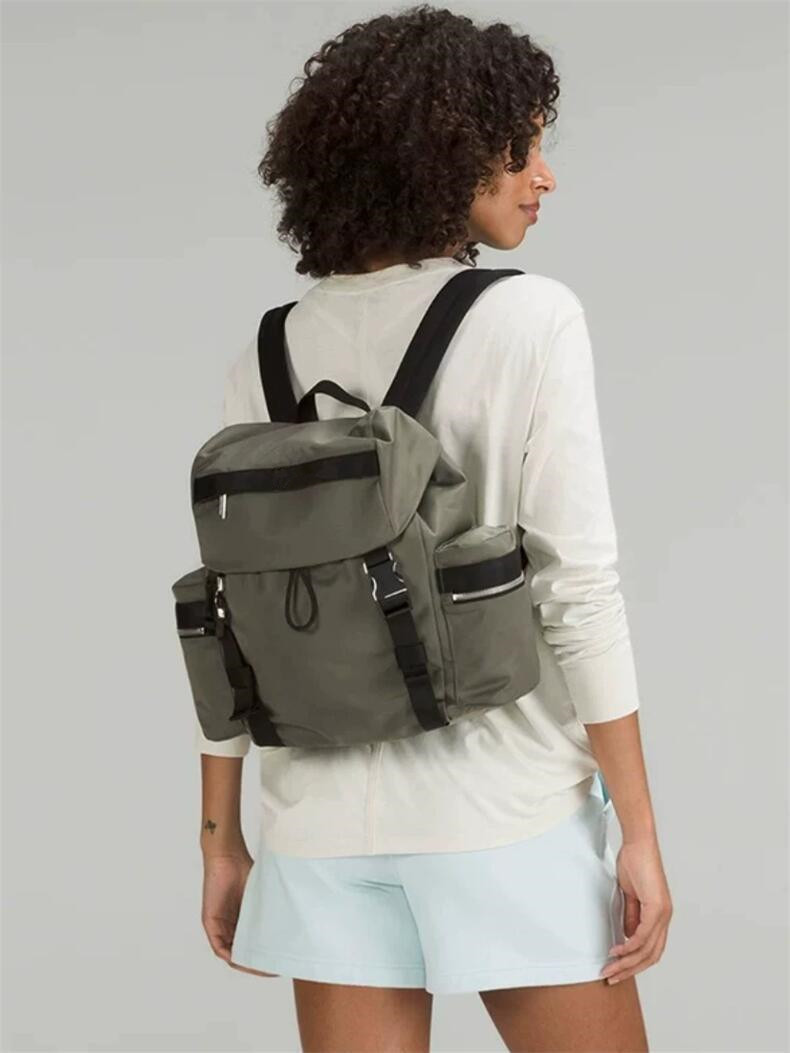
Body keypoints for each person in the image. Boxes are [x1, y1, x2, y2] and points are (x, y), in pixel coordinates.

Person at [194, 5, 672, 1051]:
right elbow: (578, 587)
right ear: (446, 153)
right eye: (520, 148)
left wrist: (221, 841)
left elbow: (227, 617)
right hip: (501, 811)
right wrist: (639, 833)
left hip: (316, 828)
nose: (544, 176)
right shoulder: (529, 317)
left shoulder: (268, 351)